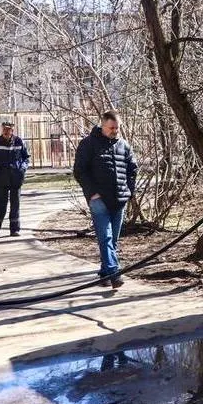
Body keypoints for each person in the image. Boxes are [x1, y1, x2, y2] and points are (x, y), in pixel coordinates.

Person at [72, 111, 138, 289]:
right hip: (98, 200)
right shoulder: (88, 144)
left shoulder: (124, 145)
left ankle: (104, 273)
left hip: (119, 200)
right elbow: (79, 170)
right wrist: (92, 193)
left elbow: (133, 169)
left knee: (112, 240)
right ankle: (115, 273)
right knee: (106, 237)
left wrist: (129, 191)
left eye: (117, 128)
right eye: (112, 128)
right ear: (102, 125)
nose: (115, 131)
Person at [0, 121, 29, 237]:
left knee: (15, 205)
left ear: (12, 130)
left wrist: (22, 169)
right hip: (1, 179)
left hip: (16, 178)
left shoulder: (19, 141)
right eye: (4, 129)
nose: (6, 131)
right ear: (1, 129)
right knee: (0, 205)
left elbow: (26, 158)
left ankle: (14, 229)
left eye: (8, 129)